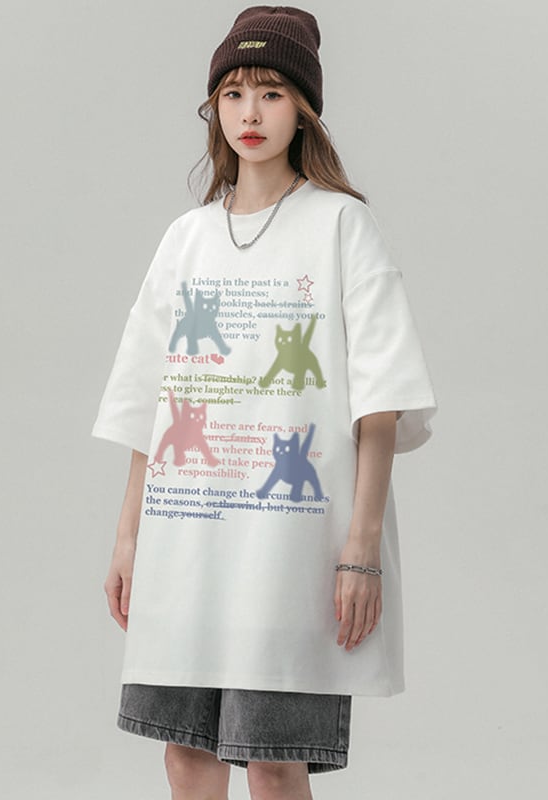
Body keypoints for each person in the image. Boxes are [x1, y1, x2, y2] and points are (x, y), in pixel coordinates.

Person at [91, 6, 438, 799]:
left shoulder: (343, 226)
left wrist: (362, 550)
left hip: (289, 549)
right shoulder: (186, 239)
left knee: (274, 759)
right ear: (214, 108)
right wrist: (128, 536)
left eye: (273, 93)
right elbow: (151, 397)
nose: (251, 112)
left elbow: (381, 402)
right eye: (235, 93)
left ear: (304, 109)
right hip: (187, 539)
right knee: (185, 755)